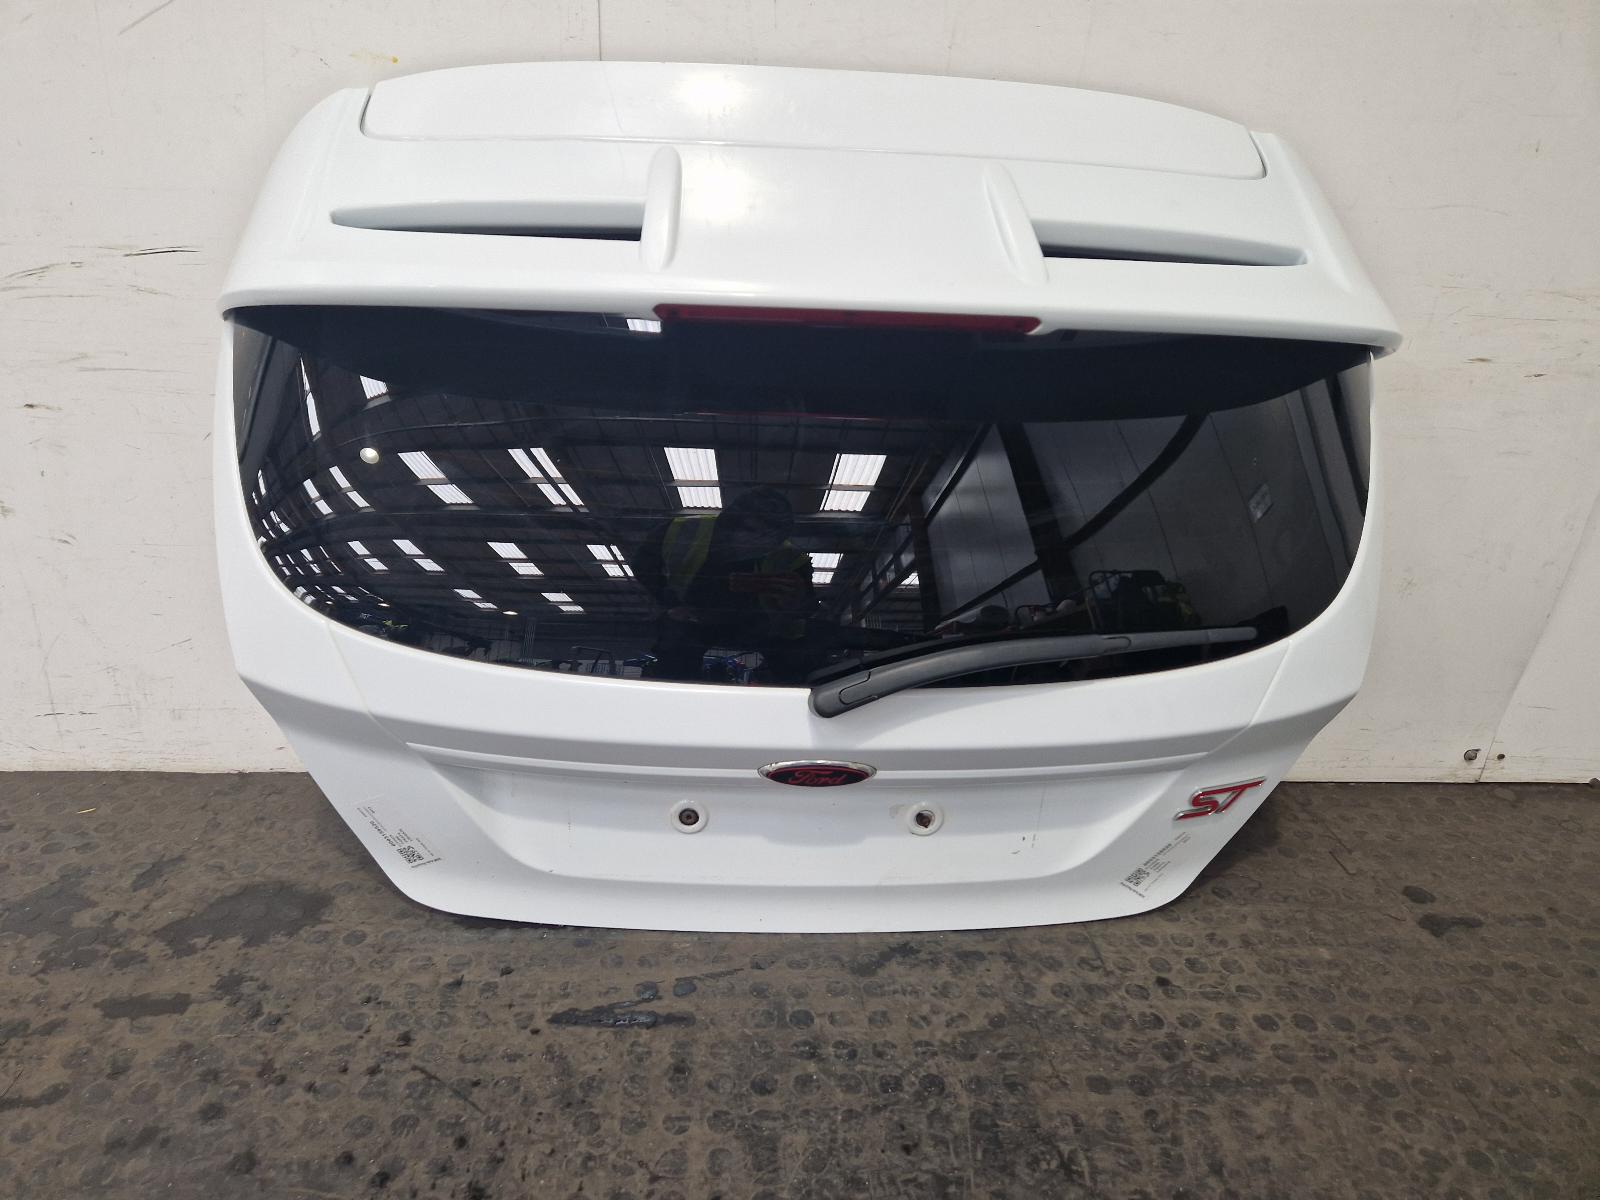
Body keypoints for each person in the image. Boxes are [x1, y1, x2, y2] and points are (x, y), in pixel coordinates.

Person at [633, 486, 815, 683]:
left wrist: (795, 604)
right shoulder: (681, 531)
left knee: (796, 655)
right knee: (674, 646)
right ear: (730, 524)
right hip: (693, 618)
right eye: (752, 530)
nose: (759, 541)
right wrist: (671, 603)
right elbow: (643, 565)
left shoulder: (791, 559)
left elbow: (809, 609)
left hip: (763, 626)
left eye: (770, 537)